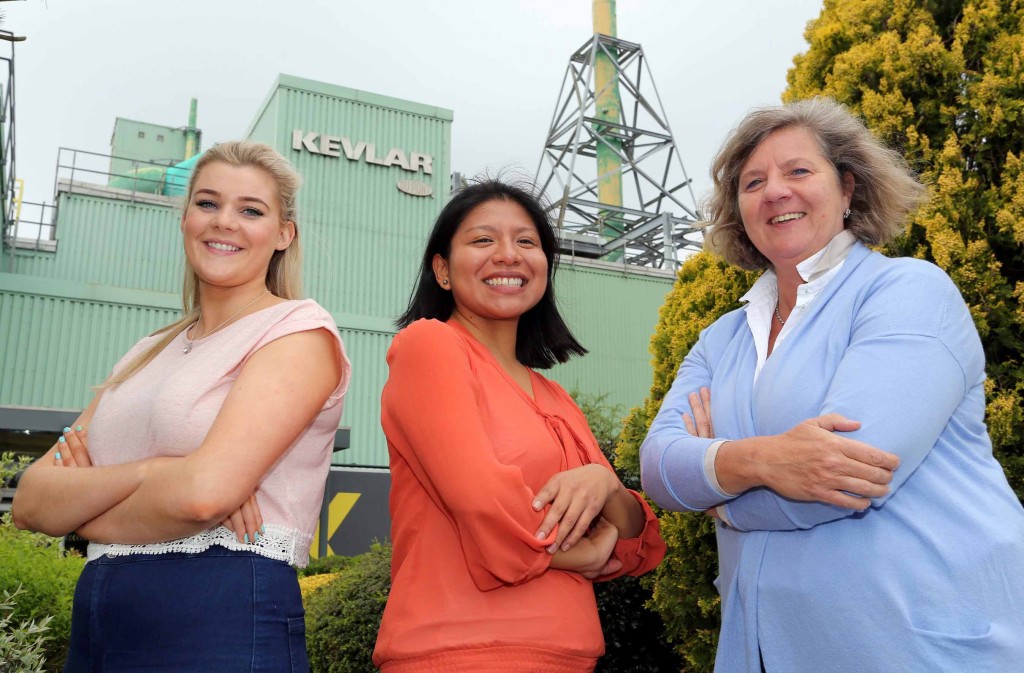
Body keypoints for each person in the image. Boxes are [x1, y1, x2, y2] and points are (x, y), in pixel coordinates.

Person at [639, 97, 1024, 672]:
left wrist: (719, 495)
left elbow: (849, 473)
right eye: (752, 182)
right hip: (764, 650)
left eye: (798, 171)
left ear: (847, 189)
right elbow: (658, 468)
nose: (775, 191)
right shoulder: (722, 339)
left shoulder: (908, 292)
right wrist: (766, 462)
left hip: (917, 647)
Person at [12, 140, 350, 672]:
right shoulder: (146, 352)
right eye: (208, 203)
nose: (225, 222)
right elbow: (32, 501)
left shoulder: (297, 333)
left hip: (221, 615)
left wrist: (82, 515)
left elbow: (202, 497)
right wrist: (159, 469)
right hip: (99, 618)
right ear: (185, 216)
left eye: (251, 210)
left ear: (284, 234)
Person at [372, 179, 666, 672]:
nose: (508, 255)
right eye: (483, 240)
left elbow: (636, 544)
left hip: (569, 655)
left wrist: (603, 484)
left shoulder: (553, 396)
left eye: (526, 242)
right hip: (460, 653)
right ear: (442, 270)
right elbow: (482, 504)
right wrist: (580, 552)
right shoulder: (430, 347)